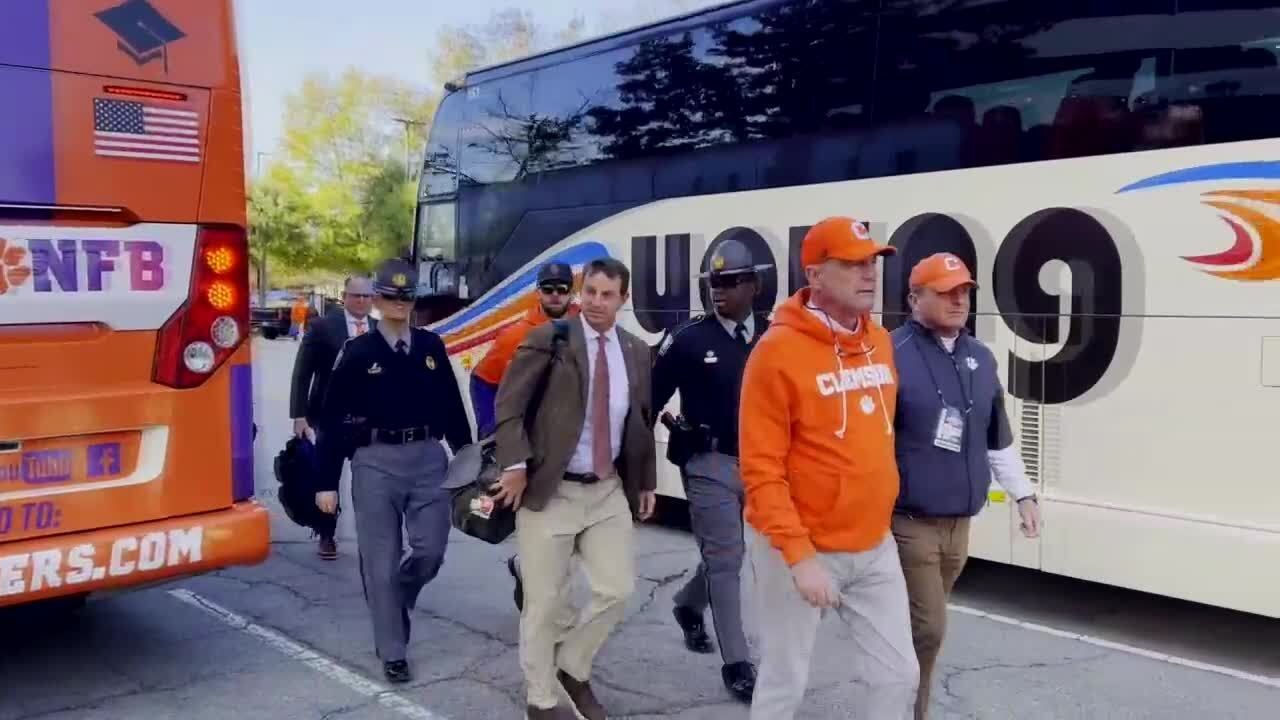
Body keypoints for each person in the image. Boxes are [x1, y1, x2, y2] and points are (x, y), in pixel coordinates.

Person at [739, 216, 919, 720]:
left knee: (898, 675)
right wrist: (799, 557)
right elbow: (761, 468)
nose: (869, 275)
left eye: (873, 264)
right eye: (853, 265)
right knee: (785, 679)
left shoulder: (879, 340)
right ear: (815, 276)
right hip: (799, 546)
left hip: (873, 545)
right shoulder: (776, 353)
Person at [491, 257, 657, 720]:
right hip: (551, 490)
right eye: (591, 293)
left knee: (618, 589)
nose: (596, 303)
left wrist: (645, 481)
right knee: (544, 604)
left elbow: (639, 421)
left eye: (608, 295)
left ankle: (571, 665)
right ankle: (541, 699)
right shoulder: (550, 339)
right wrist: (516, 464)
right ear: (580, 294)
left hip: (606, 491)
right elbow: (508, 406)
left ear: (623, 300)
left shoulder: (635, 351)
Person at [889, 252, 1042, 720]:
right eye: (945, 292)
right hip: (909, 522)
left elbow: (997, 436)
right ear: (915, 298)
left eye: (964, 292)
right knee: (930, 628)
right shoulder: (890, 354)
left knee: (919, 628)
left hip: (960, 526)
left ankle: (898, 692)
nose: (959, 300)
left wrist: (1024, 493)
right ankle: (911, 711)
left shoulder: (980, 356)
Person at [314, 258, 473, 684]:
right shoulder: (358, 352)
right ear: (378, 300)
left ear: (413, 300)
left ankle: (398, 596)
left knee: (430, 551)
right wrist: (326, 482)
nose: (399, 303)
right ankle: (393, 649)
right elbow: (331, 419)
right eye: (390, 296)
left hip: (428, 460)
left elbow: (452, 408)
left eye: (406, 296)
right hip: (374, 464)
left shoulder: (430, 348)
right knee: (380, 564)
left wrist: (469, 459)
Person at [650, 239, 770, 703]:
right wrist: (635, 468)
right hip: (708, 462)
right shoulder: (687, 339)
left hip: (762, 464)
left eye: (729, 281)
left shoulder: (774, 336)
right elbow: (649, 402)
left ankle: (687, 604)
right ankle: (738, 663)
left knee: (732, 553)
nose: (718, 290)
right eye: (712, 283)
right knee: (727, 558)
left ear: (753, 285)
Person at [470, 261, 580, 611]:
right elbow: (482, 381)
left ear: (571, 292)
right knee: (545, 529)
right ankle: (540, 605)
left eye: (562, 289)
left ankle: (524, 569)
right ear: (538, 292)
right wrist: (493, 433)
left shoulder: (586, 329)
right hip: (532, 449)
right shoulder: (516, 334)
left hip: (575, 448)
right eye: (548, 289)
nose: (555, 295)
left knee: (573, 532)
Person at [288, 276, 376, 559]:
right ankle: (326, 534)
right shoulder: (323, 327)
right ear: (344, 296)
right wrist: (299, 415)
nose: (362, 301)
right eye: (356, 296)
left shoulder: (379, 329)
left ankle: (374, 537)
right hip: (329, 417)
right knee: (328, 478)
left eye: (366, 296)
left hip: (369, 420)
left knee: (371, 481)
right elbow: (303, 374)